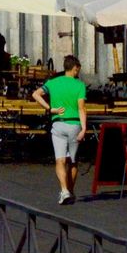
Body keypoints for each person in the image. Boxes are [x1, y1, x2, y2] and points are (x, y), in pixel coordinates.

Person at [32, 54, 89, 205]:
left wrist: (50, 109)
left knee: (60, 160)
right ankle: (70, 191)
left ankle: (64, 191)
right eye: (78, 69)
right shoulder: (79, 85)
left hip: (58, 123)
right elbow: (81, 108)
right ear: (75, 68)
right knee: (73, 161)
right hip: (74, 124)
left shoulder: (53, 83)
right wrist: (84, 128)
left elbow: (36, 94)